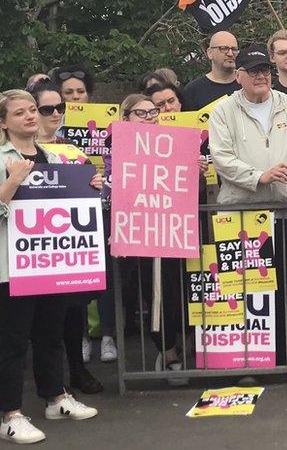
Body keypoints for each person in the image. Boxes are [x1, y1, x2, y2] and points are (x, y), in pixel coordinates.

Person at [209, 44, 287, 363]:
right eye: (253, 71)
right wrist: (260, 175)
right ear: (239, 76)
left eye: (265, 71)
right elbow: (222, 158)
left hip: (285, 210)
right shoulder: (223, 111)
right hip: (242, 212)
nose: (261, 77)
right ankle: (253, 353)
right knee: (247, 284)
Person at [0, 90, 99, 444]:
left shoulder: (55, 155)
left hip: (49, 264)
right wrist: (12, 181)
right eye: (18, 113)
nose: (29, 117)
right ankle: (10, 414)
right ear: (3, 123)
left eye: (31, 110)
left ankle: (55, 397)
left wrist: (89, 187)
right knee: (12, 341)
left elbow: (70, 202)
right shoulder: (2, 158)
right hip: (12, 267)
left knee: (50, 334)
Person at [28, 83, 106, 394]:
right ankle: (48, 381)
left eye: (60, 107)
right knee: (40, 320)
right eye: (48, 109)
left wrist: (96, 183)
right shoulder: (19, 150)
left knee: (73, 313)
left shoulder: (74, 150)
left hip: (69, 243)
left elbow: (91, 190)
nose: (56, 113)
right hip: (35, 244)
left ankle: (76, 369)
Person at [112, 94, 190, 386]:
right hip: (137, 235)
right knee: (150, 293)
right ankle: (167, 352)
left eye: (153, 112)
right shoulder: (115, 148)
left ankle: (178, 347)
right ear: (126, 118)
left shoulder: (174, 141)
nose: (149, 117)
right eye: (141, 113)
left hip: (173, 230)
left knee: (174, 293)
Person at [182, 31, 241, 111]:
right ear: (210, 53)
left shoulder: (247, 85)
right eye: (224, 49)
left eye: (234, 49)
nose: (230, 54)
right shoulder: (193, 91)